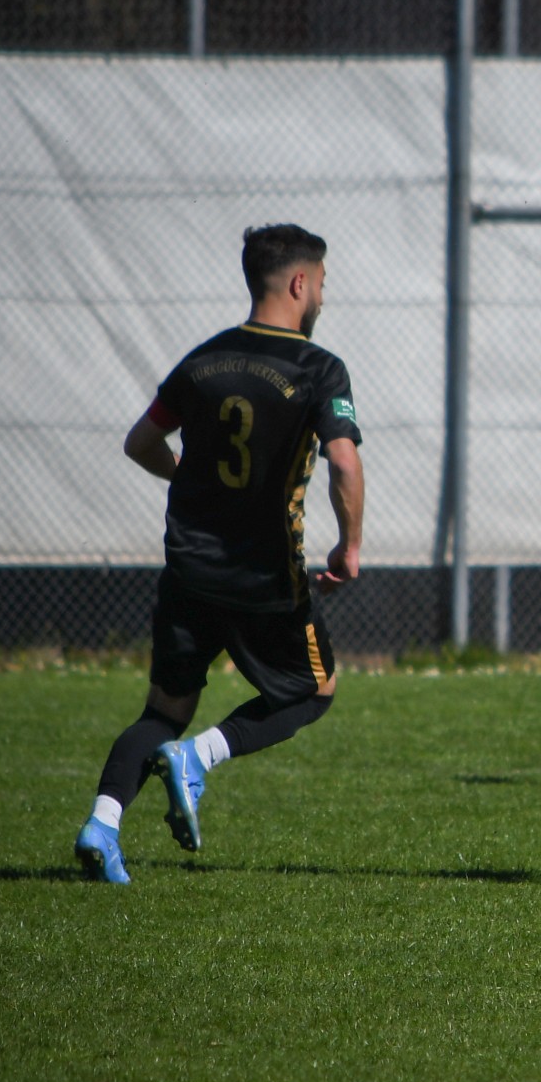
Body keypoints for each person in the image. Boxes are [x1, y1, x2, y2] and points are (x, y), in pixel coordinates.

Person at [73, 224, 365, 884]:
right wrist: (349, 547)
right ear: (299, 284)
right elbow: (343, 462)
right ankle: (199, 757)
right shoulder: (317, 368)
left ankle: (102, 822)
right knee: (316, 689)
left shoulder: (201, 361)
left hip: (188, 571)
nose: (322, 296)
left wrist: (192, 480)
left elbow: (141, 442)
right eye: (321, 283)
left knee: (160, 710)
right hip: (263, 577)